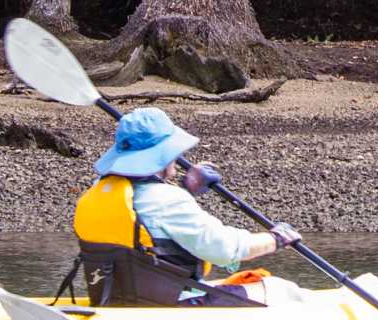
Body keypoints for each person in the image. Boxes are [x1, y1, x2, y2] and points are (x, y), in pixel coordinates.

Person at [71, 106, 301, 307]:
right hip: (167, 306)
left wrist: (186, 189)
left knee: (245, 282)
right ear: (163, 154)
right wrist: (276, 239)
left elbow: (151, 219)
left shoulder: (97, 192)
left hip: (116, 299)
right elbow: (225, 250)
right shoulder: (167, 200)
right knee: (281, 289)